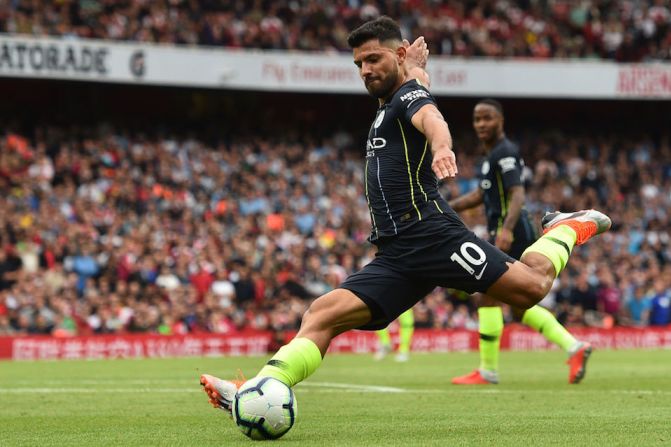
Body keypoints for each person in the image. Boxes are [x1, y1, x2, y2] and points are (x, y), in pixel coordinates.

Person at [200, 16, 611, 418]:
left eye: (374, 59)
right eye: (359, 63)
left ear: (395, 54)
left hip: (433, 235)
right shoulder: (394, 99)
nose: (365, 70)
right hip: (398, 253)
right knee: (322, 314)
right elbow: (419, 89)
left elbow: (431, 117)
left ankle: (570, 225)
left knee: (533, 287)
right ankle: (256, 389)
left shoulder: (405, 99)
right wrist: (413, 67)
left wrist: (442, 148)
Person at [449, 99, 592, 385]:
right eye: (477, 120)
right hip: (506, 230)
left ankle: (488, 370)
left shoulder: (505, 152)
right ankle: (574, 346)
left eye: (487, 118)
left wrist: (507, 229)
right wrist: (447, 206)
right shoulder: (491, 156)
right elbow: (482, 194)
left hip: (511, 231)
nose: (481, 125)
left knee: (486, 293)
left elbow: (517, 194)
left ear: (500, 120)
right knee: (517, 306)